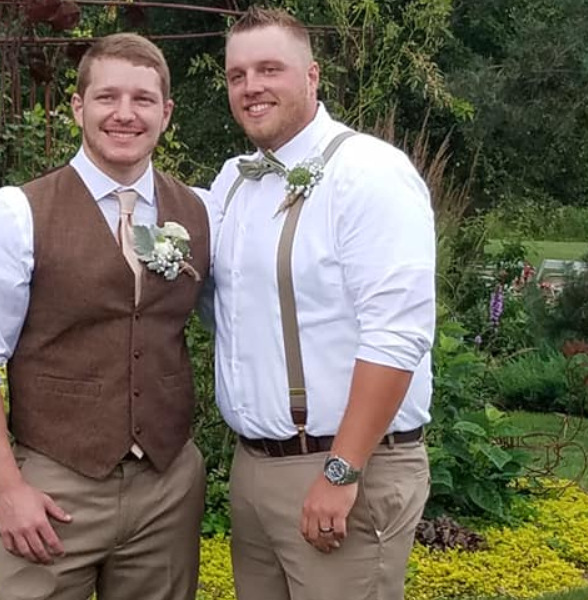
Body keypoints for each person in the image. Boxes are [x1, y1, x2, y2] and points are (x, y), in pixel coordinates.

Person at [0, 33, 210, 600]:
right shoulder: (14, 214)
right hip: (54, 483)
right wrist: (8, 488)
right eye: (107, 97)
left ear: (166, 113)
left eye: (142, 99)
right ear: (77, 108)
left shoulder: (202, 210)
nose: (124, 114)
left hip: (167, 487)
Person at [204, 7, 435, 600]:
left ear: (312, 76)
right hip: (253, 470)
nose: (251, 86)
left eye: (269, 69)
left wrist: (341, 470)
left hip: (344, 468)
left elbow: (397, 334)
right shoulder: (233, 180)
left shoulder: (369, 173)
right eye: (237, 75)